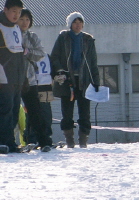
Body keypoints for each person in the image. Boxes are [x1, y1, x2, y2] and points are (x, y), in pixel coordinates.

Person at [50, 12, 100, 148]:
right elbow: (54, 57)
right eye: (75, 22)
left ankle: (83, 141)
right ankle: (70, 141)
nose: (78, 25)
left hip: (85, 81)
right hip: (67, 81)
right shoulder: (63, 38)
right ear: (70, 24)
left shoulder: (88, 40)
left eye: (80, 22)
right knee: (67, 113)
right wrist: (60, 71)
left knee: (85, 113)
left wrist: (96, 81)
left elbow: (93, 62)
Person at [18, 9, 54, 151]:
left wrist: (28, 52)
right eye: (22, 19)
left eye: (27, 19)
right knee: (10, 111)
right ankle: (8, 141)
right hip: (11, 80)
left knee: (35, 112)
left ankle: (44, 141)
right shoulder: (9, 35)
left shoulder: (32, 37)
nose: (25, 22)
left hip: (30, 80)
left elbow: (40, 54)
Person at [0, 0, 27, 153]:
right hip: (3, 75)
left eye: (19, 12)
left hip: (16, 76)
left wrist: (23, 78)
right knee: (5, 108)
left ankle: (10, 141)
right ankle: (3, 140)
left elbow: (19, 53)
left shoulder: (17, 28)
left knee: (14, 109)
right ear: (5, 10)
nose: (16, 15)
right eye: (14, 11)